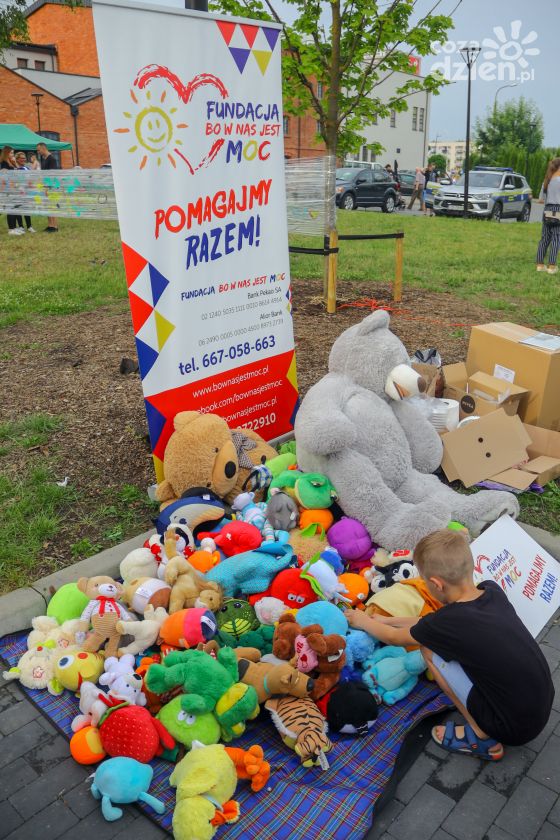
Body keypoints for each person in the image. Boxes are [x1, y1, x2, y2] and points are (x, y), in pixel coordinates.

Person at [347, 529, 554, 760]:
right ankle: (481, 710)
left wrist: (362, 620)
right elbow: (429, 623)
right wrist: (387, 620)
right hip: (541, 704)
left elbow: (394, 638)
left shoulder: (449, 621)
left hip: (511, 728)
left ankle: (481, 735)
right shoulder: (490, 591)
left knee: (428, 649)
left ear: (436, 584)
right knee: (437, 640)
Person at [536, 157, 560, 275]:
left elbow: (541, 199)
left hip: (547, 210)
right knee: (556, 238)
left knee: (544, 238)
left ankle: (540, 265)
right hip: (558, 210)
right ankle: (551, 266)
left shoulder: (547, 181)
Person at [1, 146, 25, 235]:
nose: (13, 154)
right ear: (6, 153)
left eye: (13, 153)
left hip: (13, 188)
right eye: (11, 153)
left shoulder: (10, 162)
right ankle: (11, 229)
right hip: (8, 189)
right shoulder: (4, 163)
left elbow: (17, 172)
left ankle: (14, 227)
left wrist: (15, 163)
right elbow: (4, 176)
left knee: (14, 208)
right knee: (10, 208)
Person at [36, 142, 59, 232]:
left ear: (43, 148)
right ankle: (50, 225)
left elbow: (52, 175)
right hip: (45, 185)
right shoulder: (44, 159)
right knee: (47, 206)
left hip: (51, 187)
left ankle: (55, 226)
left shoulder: (52, 159)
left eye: (39, 150)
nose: (38, 152)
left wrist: (48, 188)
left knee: (52, 206)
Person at [15, 152, 35, 233]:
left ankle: (29, 226)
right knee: (18, 208)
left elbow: (30, 181)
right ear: (17, 159)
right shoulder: (14, 169)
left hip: (26, 192)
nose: (24, 159)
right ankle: (21, 226)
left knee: (26, 208)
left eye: (24, 158)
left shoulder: (27, 169)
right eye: (22, 158)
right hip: (17, 192)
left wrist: (30, 187)